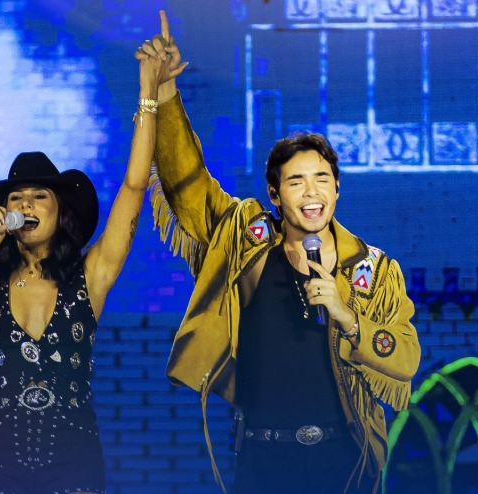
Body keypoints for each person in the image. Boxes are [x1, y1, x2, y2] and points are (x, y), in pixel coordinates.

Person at [137, 11, 421, 494]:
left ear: (337, 190)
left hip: (345, 461)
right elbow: (188, 185)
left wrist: (347, 317)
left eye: (322, 179)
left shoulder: (372, 269)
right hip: (263, 458)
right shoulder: (244, 239)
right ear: (274, 193)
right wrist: (164, 92)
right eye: (296, 182)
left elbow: (407, 358)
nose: (312, 193)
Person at [0, 28, 185, 494]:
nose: (25, 203)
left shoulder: (91, 273)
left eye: (39, 195)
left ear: (60, 210)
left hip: (74, 462)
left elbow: (134, 186)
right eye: (15, 197)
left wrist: (148, 93)